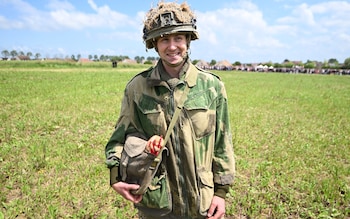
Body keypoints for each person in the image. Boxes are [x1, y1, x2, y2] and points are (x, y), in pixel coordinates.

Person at [105, 1, 235, 219]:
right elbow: (119, 139)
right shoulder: (137, 88)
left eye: (178, 38)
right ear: (155, 44)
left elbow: (223, 142)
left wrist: (221, 193)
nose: (172, 46)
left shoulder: (211, 87)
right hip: (157, 203)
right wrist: (115, 177)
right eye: (164, 39)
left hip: (202, 202)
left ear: (188, 40)